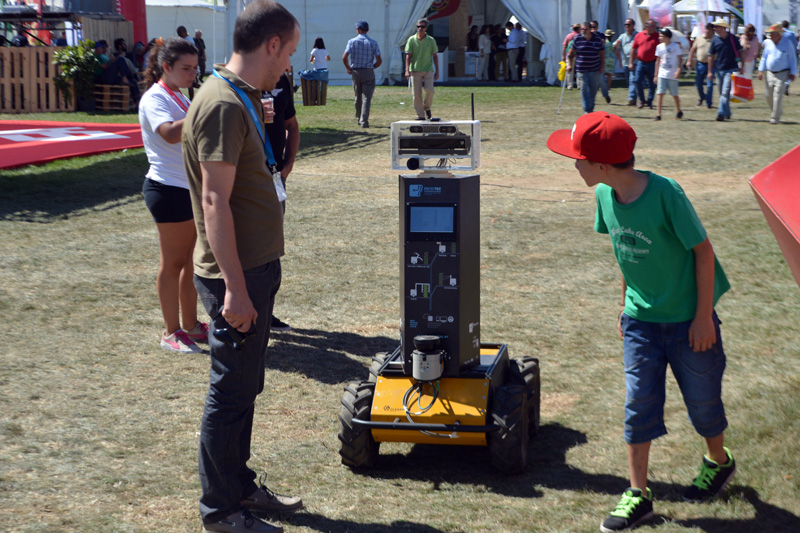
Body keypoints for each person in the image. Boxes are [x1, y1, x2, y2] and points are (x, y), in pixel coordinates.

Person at [547, 111, 736, 533]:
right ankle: (638, 495)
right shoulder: (602, 196)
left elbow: (703, 253)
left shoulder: (666, 193)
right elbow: (625, 255)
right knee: (638, 405)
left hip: (690, 321)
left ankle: (718, 462)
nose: (573, 164)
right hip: (640, 322)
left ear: (600, 165)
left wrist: (703, 318)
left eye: (577, 157)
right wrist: (623, 306)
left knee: (703, 405)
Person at [181, 1, 303, 531]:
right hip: (237, 273)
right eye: (289, 52)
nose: (290, 65)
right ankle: (221, 510)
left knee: (246, 385)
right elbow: (214, 202)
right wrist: (234, 289)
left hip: (252, 266)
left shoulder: (240, 97)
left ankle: (240, 486)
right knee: (230, 391)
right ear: (270, 44)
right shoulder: (224, 104)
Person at [138, 37, 206, 354]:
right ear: (166, 67)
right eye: (186, 68)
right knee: (173, 263)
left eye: (195, 67)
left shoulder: (178, 94)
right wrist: (204, 111)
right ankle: (171, 332)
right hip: (167, 189)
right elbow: (168, 134)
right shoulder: (155, 98)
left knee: (190, 262)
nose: (193, 73)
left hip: (187, 187)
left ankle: (190, 325)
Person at [262, 70, 299, 332]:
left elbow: (292, 125)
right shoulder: (237, 81)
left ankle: (266, 312)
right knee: (249, 249)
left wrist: (288, 165)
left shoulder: (282, 79)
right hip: (247, 179)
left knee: (272, 248)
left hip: (275, 177)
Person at [342, 21, 381, 128]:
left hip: (356, 71)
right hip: (368, 71)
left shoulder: (351, 41)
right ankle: (364, 120)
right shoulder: (373, 42)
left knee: (357, 96)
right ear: (367, 30)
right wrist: (372, 67)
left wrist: (348, 68)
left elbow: (344, 57)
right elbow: (379, 60)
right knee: (367, 98)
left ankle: (358, 117)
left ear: (358, 29)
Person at [758, 23, 798, 124]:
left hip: (782, 73)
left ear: (778, 34)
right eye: (770, 34)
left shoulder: (787, 43)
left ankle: (774, 118)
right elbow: (764, 57)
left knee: (777, 96)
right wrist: (760, 70)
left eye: (772, 34)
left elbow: (792, 58)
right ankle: (777, 111)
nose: (770, 36)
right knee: (768, 95)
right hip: (769, 73)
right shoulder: (768, 43)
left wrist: (793, 72)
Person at [708, 19, 742, 122]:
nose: (714, 28)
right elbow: (711, 56)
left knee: (724, 92)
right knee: (722, 94)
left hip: (731, 69)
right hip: (719, 70)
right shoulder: (714, 40)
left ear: (723, 27)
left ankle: (720, 114)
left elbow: (741, 52)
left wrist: (742, 65)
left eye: (717, 26)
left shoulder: (733, 38)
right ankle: (728, 112)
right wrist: (710, 71)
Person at [405, 18, 439, 120]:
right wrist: (407, 70)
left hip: (428, 69)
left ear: (426, 28)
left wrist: (437, 71)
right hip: (415, 70)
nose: (420, 28)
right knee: (416, 94)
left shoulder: (431, 40)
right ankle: (420, 115)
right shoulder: (411, 40)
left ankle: (427, 107)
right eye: (418, 26)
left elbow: (435, 56)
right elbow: (408, 56)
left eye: (422, 27)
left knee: (430, 90)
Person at [568, 21, 605, 113]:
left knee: (593, 90)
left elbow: (602, 53)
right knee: (584, 89)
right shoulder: (577, 39)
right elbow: (570, 53)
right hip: (581, 69)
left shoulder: (597, 39)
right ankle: (586, 110)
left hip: (594, 68)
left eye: (585, 29)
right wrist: (569, 64)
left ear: (590, 29)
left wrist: (602, 66)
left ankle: (591, 107)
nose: (583, 31)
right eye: (582, 29)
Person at [653, 28, 683, 121]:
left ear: (667, 37)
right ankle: (658, 114)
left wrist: (678, 70)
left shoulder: (675, 46)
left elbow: (680, 59)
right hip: (662, 73)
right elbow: (657, 61)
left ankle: (679, 111)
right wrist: (655, 74)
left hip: (672, 74)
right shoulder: (659, 47)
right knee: (660, 93)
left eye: (661, 36)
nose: (659, 37)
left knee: (674, 94)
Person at [630, 19, 659, 109]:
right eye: (652, 26)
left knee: (652, 83)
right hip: (641, 62)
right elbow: (633, 49)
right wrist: (631, 62)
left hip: (653, 63)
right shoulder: (639, 35)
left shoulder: (658, 36)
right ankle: (642, 100)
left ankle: (649, 102)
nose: (654, 28)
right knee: (637, 80)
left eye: (655, 26)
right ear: (647, 27)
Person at [685, 23, 715, 109]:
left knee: (710, 84)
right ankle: (702, 97)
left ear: (713, 31)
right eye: (707, 29)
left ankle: (709, 103)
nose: (708, 31)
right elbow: (692, 50)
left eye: (710, 29)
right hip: (700, 64)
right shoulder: (699, 38)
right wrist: (689, 60)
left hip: (712, 65)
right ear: (704, 29)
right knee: (698, 83)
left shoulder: (715, 40)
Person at [615, 19, 638, 105]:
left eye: (628, 25)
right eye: (625, 25)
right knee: (629, 81)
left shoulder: (637, 35)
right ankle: (634, 97)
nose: (626, 26)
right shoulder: (622, 36)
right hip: (625, 62)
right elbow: (615, 46)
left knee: (632, 80)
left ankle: (631, 97)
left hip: (635, 62)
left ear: (633, 26)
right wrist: (620, 59)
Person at [562, 23, 581, 89]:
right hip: (579, 55)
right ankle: (579, 85)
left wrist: (563, 56)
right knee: (579, 70)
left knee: (569, 71)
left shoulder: (569, 36)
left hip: (570, 55)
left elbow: (564, 46)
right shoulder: (580, 36)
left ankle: (570, 85)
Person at [781, 20, 798, 94]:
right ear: (788, 26)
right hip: (790, 54)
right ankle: (787, 83)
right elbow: (795, 44)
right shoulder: (791, 34)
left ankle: (782, 84)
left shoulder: (780, 33)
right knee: (792, 70)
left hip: (781, 54)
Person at [602, 29, 615, 104]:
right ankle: (608, 86)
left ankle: (604, 86)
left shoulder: (604, 43)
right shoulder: (613, 43)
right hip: (611, 59)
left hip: (605, 59)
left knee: (604, 74)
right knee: (610, 75)